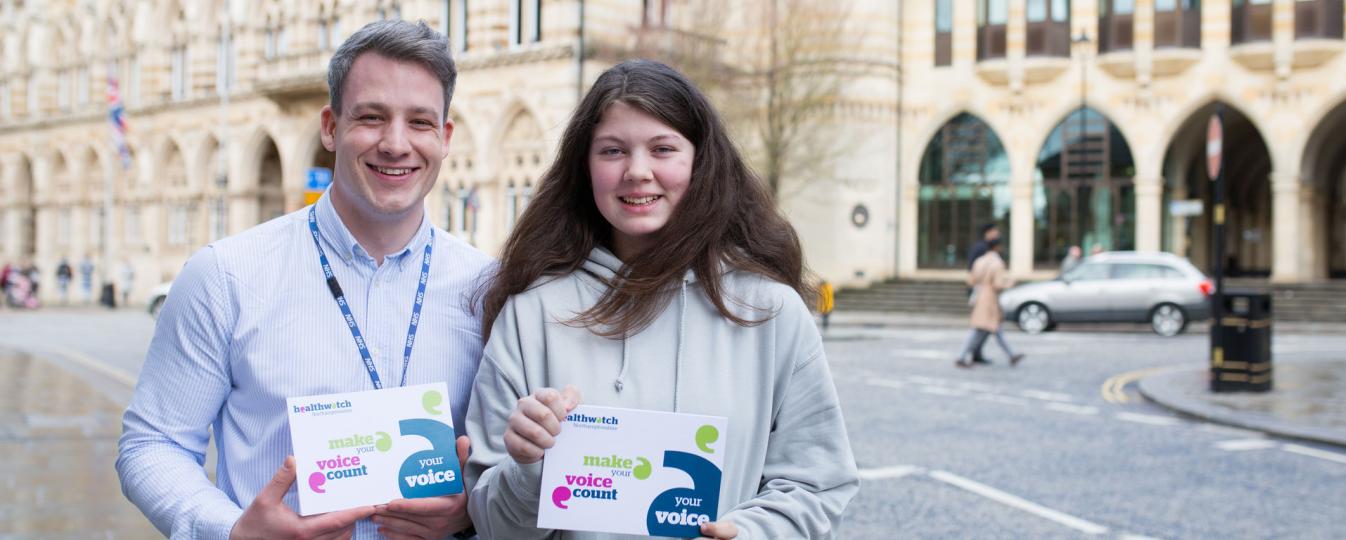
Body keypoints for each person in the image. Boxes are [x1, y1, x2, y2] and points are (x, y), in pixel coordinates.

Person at [117, 20, 490, 540]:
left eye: (420, 122)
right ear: (330, 127)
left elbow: (508, 461)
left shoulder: (489, 289)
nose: (396, 143)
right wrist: (232, 531)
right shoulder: (225, 276)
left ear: (445, 138)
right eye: (372, 117)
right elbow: (151, 444)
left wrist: (478, 507)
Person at [464, 59, 859, 540]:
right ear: (584, 166)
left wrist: (750, 533)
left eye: (663, 148)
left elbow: (816, 486)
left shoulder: (770, 311)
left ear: (700, 161)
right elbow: (491, 523)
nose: (637, 171)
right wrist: (528, 467)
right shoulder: (531, 314)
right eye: (612, 151)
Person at [957, 238, 1024, 368]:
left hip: (980, 295)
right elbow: (997, 284)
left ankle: (1011, 355)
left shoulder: (979, 261)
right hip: (989, 299)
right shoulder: (997, 263)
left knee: (991, 328)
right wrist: (1009, 283)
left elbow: (971, 280)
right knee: (981, 329)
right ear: (997, 247)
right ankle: (962, 356)